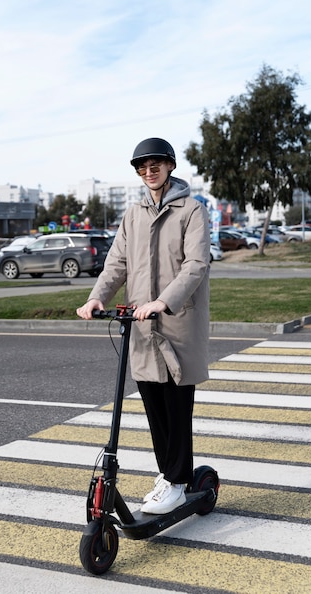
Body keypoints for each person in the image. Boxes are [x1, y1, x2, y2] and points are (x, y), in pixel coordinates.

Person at [76, 137, 210, 515]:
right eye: (141, 167)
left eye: (155, 165)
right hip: (142, 326)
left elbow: (195, 265)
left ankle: (177, 481)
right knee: (153, 404)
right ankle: (169, 476)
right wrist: (96, 297)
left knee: (177, 405)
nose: (148, 172)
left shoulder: (191, 211)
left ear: (170, 166)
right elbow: (117, 262)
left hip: (176, 323)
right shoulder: (133, 214)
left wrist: (162, 302)